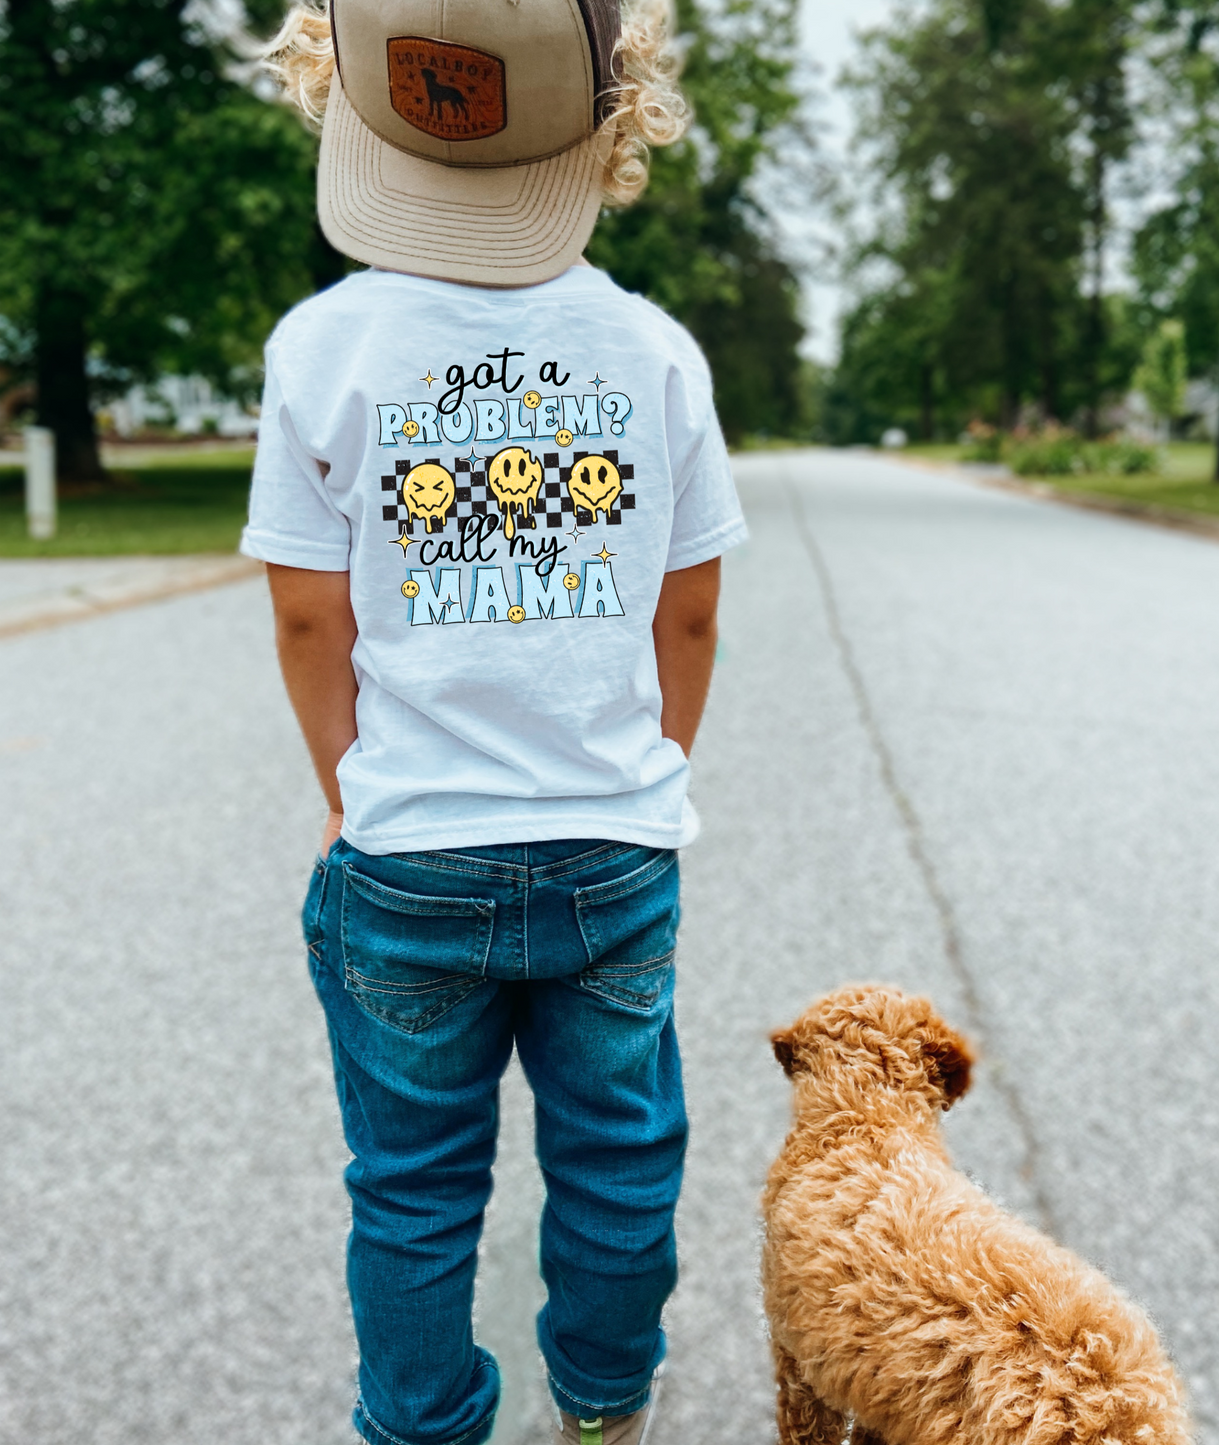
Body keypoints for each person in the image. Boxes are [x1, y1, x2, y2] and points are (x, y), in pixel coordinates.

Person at [244, 3, 745, 1442]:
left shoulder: (321, 347)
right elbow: (690, 616)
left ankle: (419, 1421)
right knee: (619, 1157)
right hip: (609, 847)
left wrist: (350, 793)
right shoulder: (653, 352)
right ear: (613, 116)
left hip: (406, 856)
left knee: (408, 1185)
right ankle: (599, 1405)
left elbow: (306, 619)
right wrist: (637, 776)